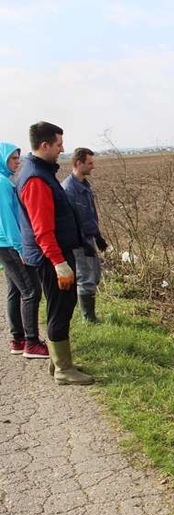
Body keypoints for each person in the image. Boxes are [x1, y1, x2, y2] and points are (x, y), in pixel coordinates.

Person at [16, 122, 93, 385]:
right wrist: (59, 262)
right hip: (52, 257)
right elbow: (42, 228)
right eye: (59, 144)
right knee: (61, 308)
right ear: (44, 145)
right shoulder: (36, 178)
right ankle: (63, 370)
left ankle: (58, 363)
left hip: (53, 254)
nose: (63, 149)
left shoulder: (40, 172)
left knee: (59, 307)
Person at [0, 142, 48, 358]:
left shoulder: (4, 181)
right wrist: (21, 248)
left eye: (18, 157)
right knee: (31, 291)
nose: (17, 162)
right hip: (11, 245)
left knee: (15, 290)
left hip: (5, 246)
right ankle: (31, 343)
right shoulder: (2, 183)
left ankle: (18, 340)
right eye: (13, 158)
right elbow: (10, 221)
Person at [63, 148, 107, 323]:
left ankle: (89, 314)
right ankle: (88, 318)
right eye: (90, 163)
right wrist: (82, 241)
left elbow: (89, 215)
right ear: (78, 164)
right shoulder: (68, 189)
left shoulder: (85, 186)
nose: (93, 166)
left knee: (95, 275)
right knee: (86, 277)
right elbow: (70, 221)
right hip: (78, 242)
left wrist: (97, 236)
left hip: (89, 238)